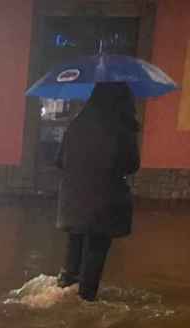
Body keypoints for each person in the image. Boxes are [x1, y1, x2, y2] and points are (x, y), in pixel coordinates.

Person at [55, 82, 140, 301]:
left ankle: (63, 292)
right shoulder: (122, 128)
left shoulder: (75, 124)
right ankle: (85, 301)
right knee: (96, 250)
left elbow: (59, 161)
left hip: (73, 201)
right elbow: (132, 165)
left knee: (74, 246)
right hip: (104, 203)